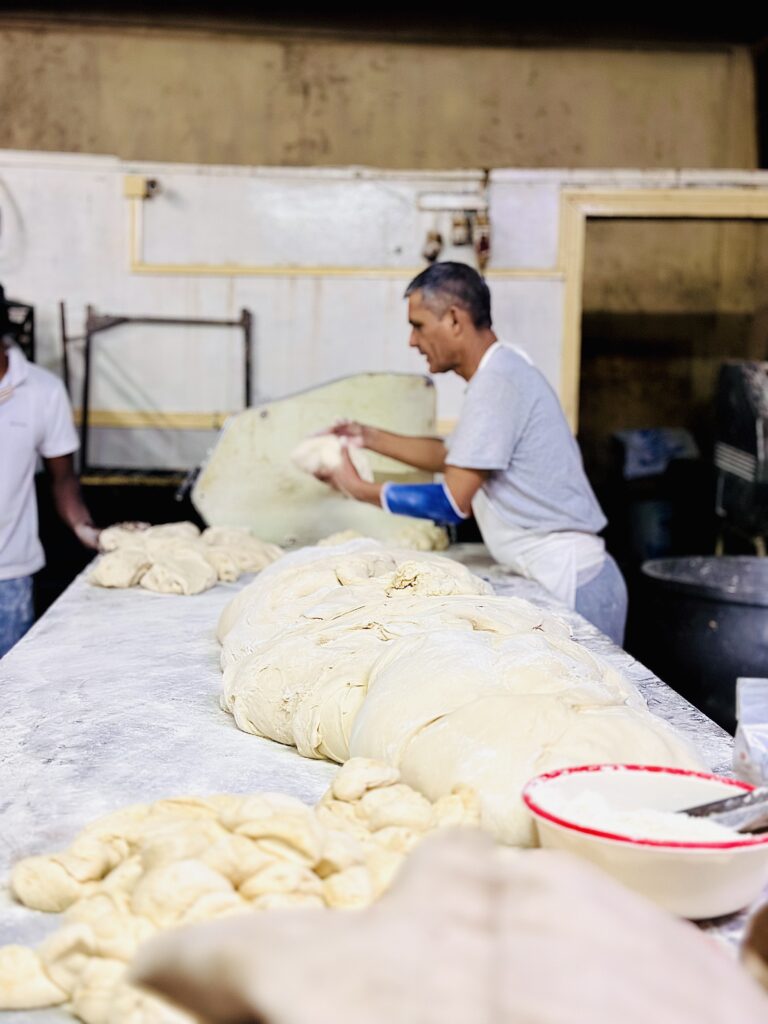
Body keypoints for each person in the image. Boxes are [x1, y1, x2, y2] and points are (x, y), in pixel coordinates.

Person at [314, 261, 628, 644]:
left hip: (574, 582)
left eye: (418, 326)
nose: (412, 341)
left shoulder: (497, 381)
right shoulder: (500, 370)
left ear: (454, 320)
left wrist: (358, 488)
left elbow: (453, 501)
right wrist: (365, 436)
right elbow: (454, 456)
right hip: (559, 573)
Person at [0, 297, 100, 658]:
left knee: (9, 699)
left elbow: (63, 478)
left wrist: (85, 528)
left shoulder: (42, 392)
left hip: (8, 575)